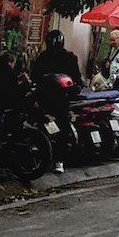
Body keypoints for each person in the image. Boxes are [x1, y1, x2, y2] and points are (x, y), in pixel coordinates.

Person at [31, 29, 83, 173]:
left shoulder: (67, 58)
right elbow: (35, 76)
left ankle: (58, 159)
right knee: (42, 124)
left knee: (62, 129)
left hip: (60, 99)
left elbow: (76, 79)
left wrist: (74, 87)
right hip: (46, 98)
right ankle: (48, 156)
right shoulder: (43, 58)